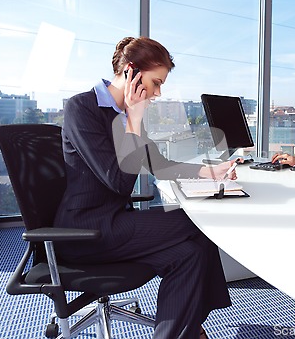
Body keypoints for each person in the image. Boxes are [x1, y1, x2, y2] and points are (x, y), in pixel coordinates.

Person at [54, 36, 235, 339]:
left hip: (114, 222)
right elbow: (119, 181)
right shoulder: (82, 108)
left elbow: (159, 165)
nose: (158, 93)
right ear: (130, 72)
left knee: (188, 253)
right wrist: (134, 122)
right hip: (85, 231)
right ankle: (194, 328)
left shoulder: (127, 116)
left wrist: (209, 171)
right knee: (198, 224)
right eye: (156, 82)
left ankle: (182, 330)